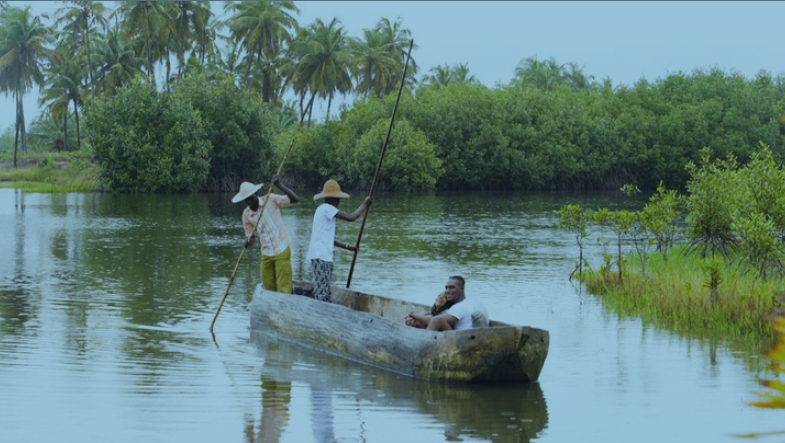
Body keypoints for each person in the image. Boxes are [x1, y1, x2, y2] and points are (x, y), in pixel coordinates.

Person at [306, 179, 372, 302]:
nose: (338, 201)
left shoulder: (325, 212)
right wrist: (364, 204)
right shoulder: (326, 208)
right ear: (329, 199)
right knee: (322, 293)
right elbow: (351, 218)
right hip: (321, 256)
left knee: (325, 290)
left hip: (324, 257)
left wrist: (348, 247)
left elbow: (330, 239)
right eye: (336, 199)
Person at [233, 174, 300, 295]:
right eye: (246, 199)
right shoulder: (246, 214)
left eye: (250, 197)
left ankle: (286, 305)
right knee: (268, 285)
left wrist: (279, 185)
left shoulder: (270, 199)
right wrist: (248, 242)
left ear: (255, 194)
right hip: (266, 252)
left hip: (281, 248)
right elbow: (251, 237)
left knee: (283, 288)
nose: (249, 201)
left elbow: (295, 199)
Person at [405, 275, 489, 331]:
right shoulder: (460, 305)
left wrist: (413, 314)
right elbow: (433, 316)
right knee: (420, 323)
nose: (448, 291)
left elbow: (434, 321)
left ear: (462, 288)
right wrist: (416, 321)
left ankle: (422, 345)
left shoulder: (461, 306)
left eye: (452, 288)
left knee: (437, 320)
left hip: (460, 340)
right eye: (446, 288)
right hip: (455, 336)